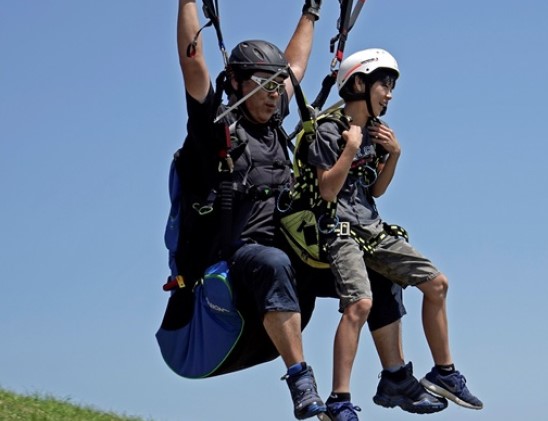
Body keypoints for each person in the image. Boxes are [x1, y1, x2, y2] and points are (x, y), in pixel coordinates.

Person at [175, 1, 444, 419]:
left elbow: (295, 66)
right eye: (261, 84)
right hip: (244, 253)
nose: (272, 93)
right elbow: (193, 66)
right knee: (274, 262)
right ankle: (301, 379)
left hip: (296, 248)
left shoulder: (275, 119)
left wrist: (312, 10)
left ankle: (395, 377)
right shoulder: (216, 130)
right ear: (236, 83)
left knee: (378, 267)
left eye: (274, 85)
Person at [306, 48, 484, 419]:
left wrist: (395, 155)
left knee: (437, 284)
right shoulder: (327, 130)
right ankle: (338, 400)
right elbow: (327, 190)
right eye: (383, 84)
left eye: (391, 87)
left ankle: (444, 373)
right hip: (339, 230)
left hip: (372, 228)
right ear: (358, 82)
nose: (389, 94)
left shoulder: (376, 133)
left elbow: (375, 191)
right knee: (360, 304)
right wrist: (350, 148)